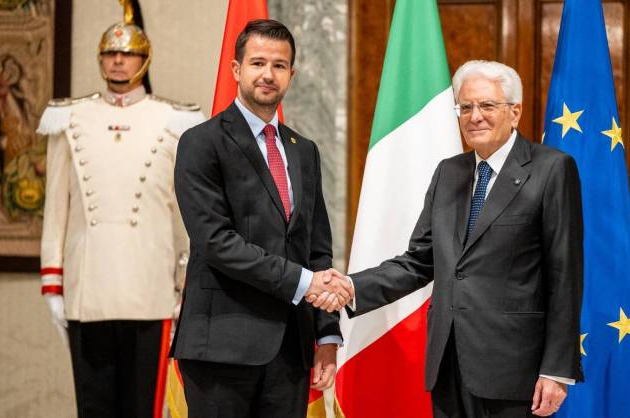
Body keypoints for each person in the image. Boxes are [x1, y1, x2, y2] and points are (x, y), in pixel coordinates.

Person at [314, 60, 584, 417]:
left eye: (487, 105)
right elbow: (419, 261)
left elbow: (565, 276)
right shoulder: (448, 172)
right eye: (466, 107)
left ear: (515, 112)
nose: (475, 116)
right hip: (447, 364)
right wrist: (350, 286)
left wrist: (556, 370)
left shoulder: (551, 169)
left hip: (515, 369)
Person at [171, 19, 353, 418]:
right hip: (220, 348)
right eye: (257, 63)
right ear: (237, 70)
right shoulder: (201, 142)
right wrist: (304, 282)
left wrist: (326, 333)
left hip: (290, 352)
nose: (268, 74)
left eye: (279, 65)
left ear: (291, 74)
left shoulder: (304, 150)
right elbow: (216, 242)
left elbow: (317, 249)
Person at [37, 8, 204, 418]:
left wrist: (185, 283)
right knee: (93, 406)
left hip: (150, 290)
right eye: (110, 53)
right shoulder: (69, 118)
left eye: (127, 54)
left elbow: (183, 215)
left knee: (142, 408)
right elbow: (56, 209)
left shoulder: (175, 120)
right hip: (88, 289)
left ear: (144, 59)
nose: (117, 61)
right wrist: (53, 283)